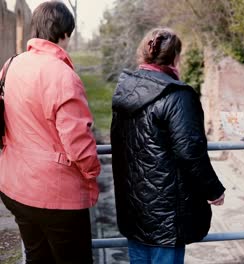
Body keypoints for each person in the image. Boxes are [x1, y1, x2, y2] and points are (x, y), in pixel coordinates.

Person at [111, 27, 226, 264]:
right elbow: (190, 151)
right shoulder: (178, 95)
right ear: (176, 57)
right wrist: (213, 190)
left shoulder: (124, 90)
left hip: (135, 207)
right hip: (167, 212)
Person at [0, 1, 101, 263]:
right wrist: (92, 174)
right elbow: (78, 143)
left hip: (14, 185)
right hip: (56, 195)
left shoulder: (11, 65)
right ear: (65, 34)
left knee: (37, 256)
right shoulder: (64, 76)